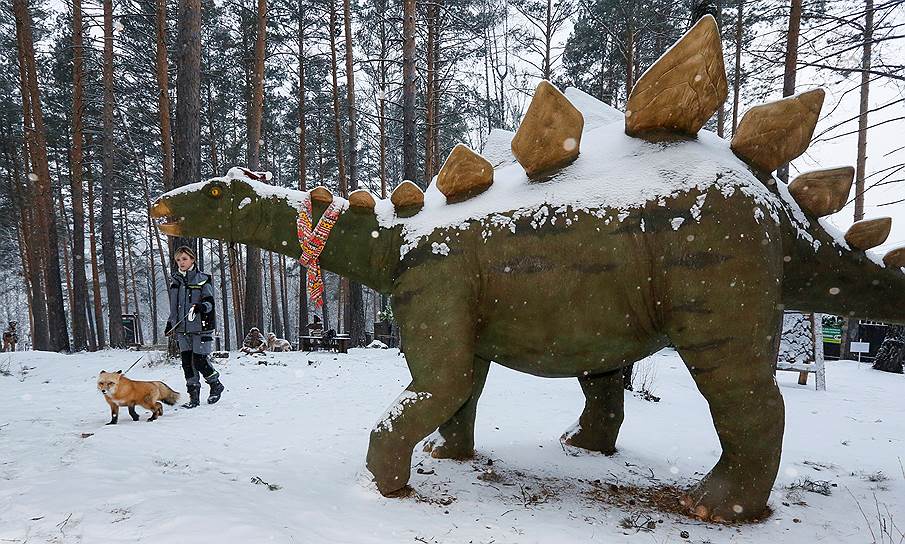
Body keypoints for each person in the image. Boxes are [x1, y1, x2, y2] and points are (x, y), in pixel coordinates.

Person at [165, 246, 224, 408]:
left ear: (192, 259)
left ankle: (215, 384)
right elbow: (174, 306)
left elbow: (210, 302)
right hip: (182, 329)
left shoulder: (203, 279)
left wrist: (201, 307)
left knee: (199, 361)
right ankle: (194, 397)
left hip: (201, 327)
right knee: (187, 363)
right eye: (178, 260)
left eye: (184, 259)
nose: (181, 262)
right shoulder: (175, 282)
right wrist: (171, 323)